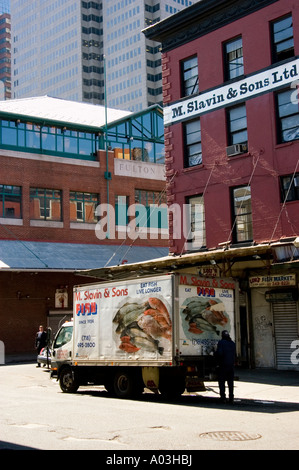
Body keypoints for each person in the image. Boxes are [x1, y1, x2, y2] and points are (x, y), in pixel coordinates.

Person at [216, 330, 236, 403]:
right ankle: (231, 397)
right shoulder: (233, 343)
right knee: (230, 382)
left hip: (223, 365)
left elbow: (220, 353)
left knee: (222, 382)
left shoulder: (221, 343)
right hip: (231, 365)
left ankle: (223, 397)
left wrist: (215, 354)